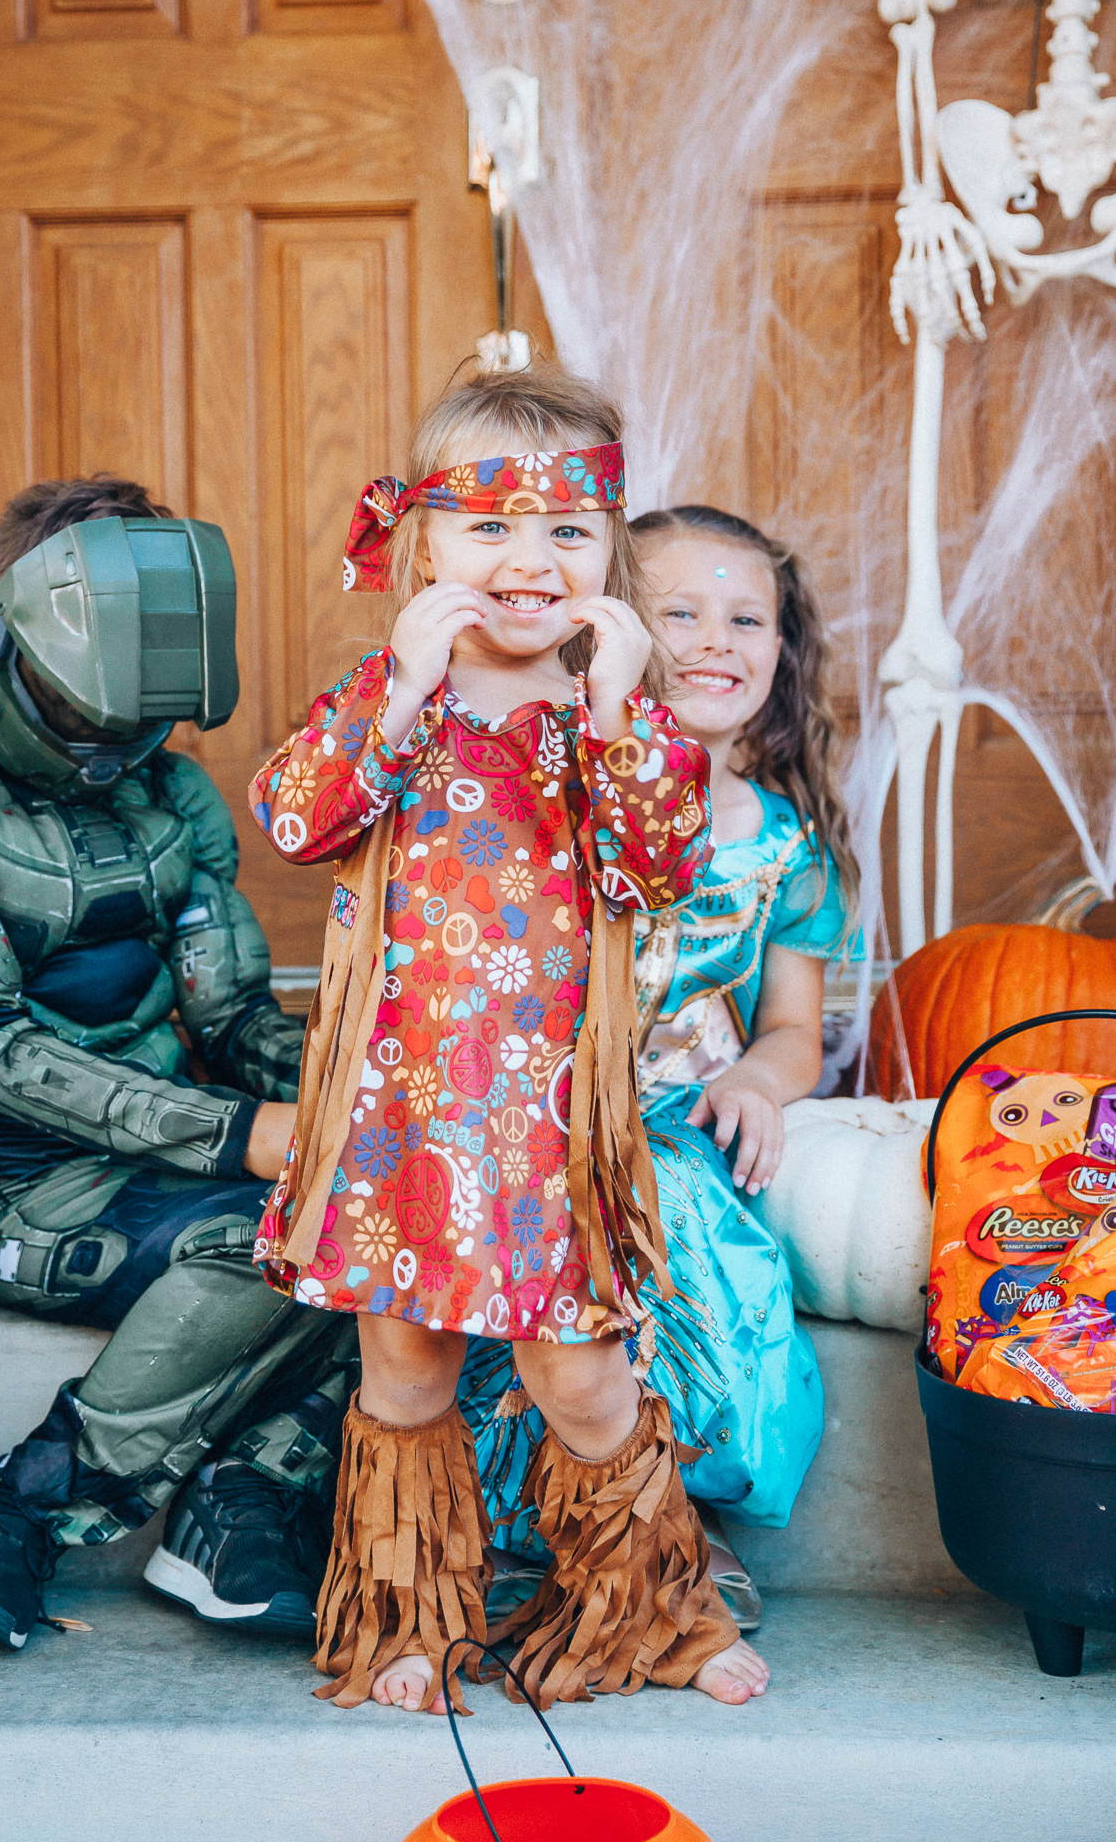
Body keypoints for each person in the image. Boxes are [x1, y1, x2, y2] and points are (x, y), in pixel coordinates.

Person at [249, 367, 770, 1715]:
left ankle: (658, 1615)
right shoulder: (390, 700)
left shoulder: (616, 724)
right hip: (402, 1113)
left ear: (610, 555)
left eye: (566, 532)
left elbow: (651, 866)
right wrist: (405, 686)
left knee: (582, 1377)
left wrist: (611, 709)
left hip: (549, 1121)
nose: (528, 560)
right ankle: (409, 1624)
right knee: (405, 1367)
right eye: (487, 528)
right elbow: (294, 815)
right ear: (419, 542)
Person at [0, 479, 358, 1653]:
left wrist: (361, 1089)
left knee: (423, 1208)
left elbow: (236, 1017)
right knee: (279, 1236)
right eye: (82, 706)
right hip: (23, 1191)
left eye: (137, 715)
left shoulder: (176, 790)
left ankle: (237, 1508)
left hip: (180, 1154)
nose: (115, 743)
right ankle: (15, 1501)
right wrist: (243, 1135)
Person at [465, 502, 859, 1628]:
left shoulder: (783, 844)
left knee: (676, 1205)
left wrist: (757, 1080)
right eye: (676, 611)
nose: (714, 639)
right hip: (534, 1103)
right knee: (550, 1216)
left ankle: (676, 1506)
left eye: (747, 617)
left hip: (676, 1113)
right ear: (609, 629)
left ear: (782, 654)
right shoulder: (552, 790)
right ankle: (519, 1514)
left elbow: (791, 1023)